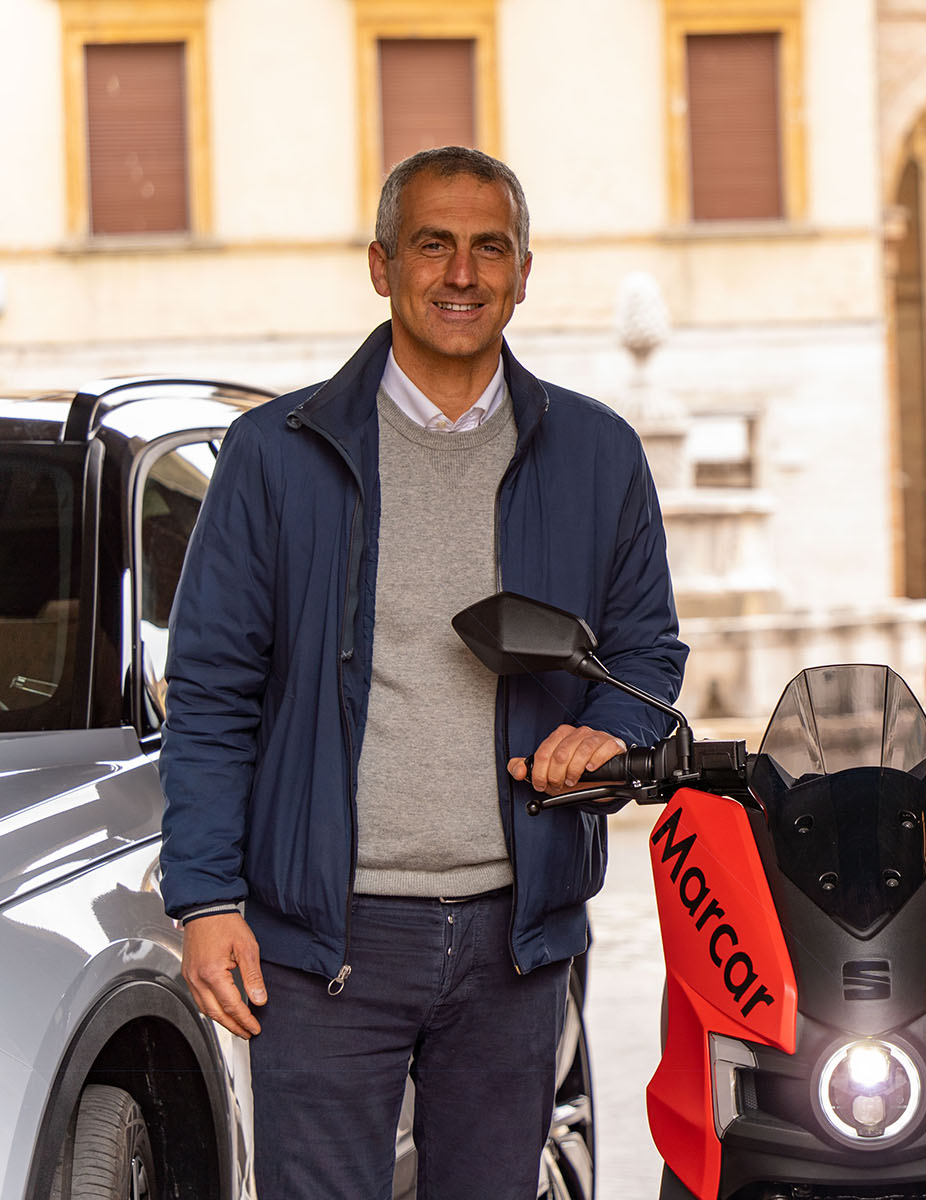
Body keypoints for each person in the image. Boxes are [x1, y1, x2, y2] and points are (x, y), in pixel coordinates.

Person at [158, 146, 687, 1199]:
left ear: (524, 273)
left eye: (489, 248)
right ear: (382, 265)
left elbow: (644, 653)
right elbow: (212, 692)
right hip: (325, 938)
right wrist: (206, 898)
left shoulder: (597, 454)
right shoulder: (275, 455)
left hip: (516, 937)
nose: (461, 273)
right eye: (433, 244)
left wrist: (611, 731)